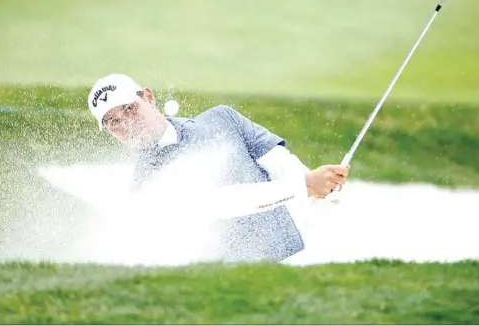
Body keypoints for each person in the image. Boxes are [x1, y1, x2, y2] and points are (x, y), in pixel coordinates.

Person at [88, 73, 349, 263]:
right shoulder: (146, 186)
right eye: (113, 122)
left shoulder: (222, 118)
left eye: (128, 109)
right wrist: (303, 186)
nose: (126, 124)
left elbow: (280, 162)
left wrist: (319, 186)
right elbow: (222, 203)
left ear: (149, 97)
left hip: (303, 255)